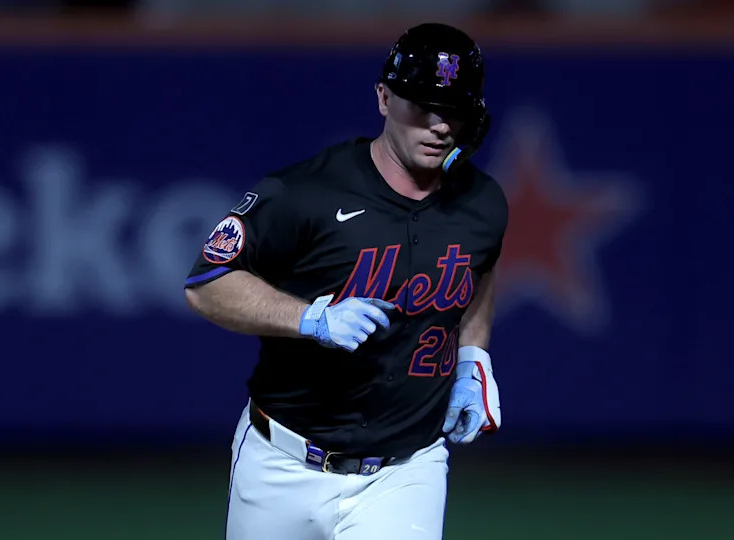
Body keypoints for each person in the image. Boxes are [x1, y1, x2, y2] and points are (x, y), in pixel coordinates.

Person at [183, 22, 508, 540]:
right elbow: (207, 282)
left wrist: (474, 358)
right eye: (420, 104)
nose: (438, 124)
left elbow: (479, 268)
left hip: (406, 469)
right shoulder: (305, 192)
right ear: (383, 97)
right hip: (280, 462)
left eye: (453, 109)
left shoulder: (482, 204)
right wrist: (309, 318)